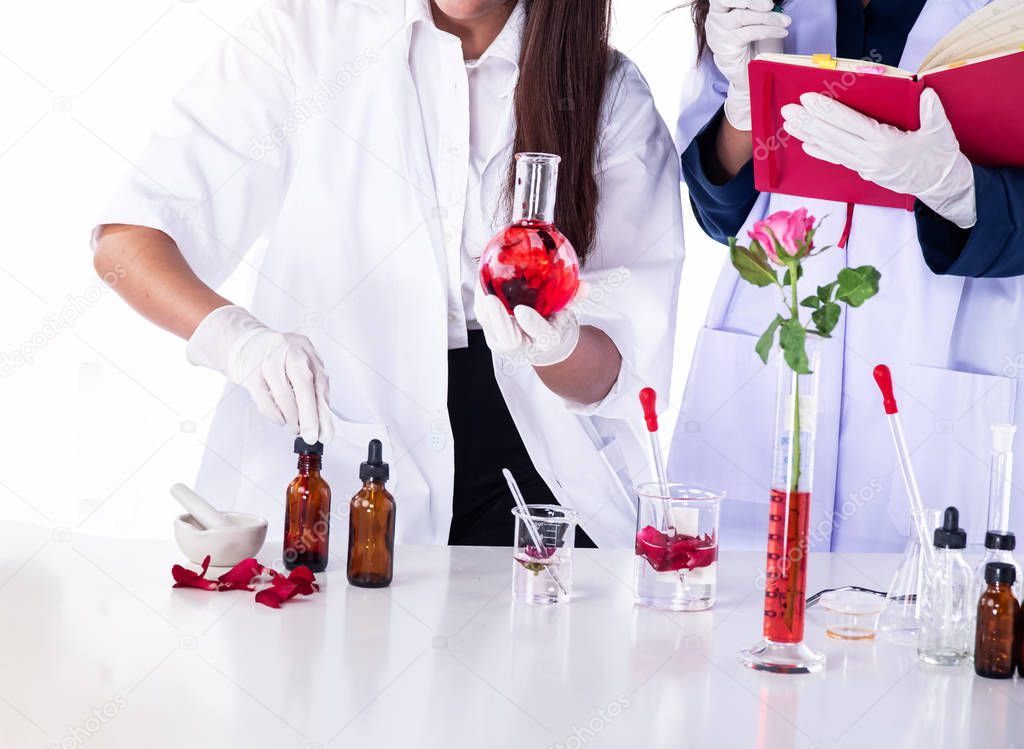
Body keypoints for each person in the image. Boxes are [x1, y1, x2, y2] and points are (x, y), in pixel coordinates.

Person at [92, 0, 684, 548]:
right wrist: (238, 341)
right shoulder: (308, 33)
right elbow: (130, 240)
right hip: (337, 430)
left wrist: (555, 347)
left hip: (534, 465)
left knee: (539, 653)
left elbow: (617, 370)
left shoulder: (606, 94)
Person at [671, 0, 1024, 551]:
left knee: (922, 617)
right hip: (773, 344)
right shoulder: (764, 4)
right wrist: (743, 111)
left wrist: (957, 188)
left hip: (947, 354)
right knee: (737, 613)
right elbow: (719, 209)